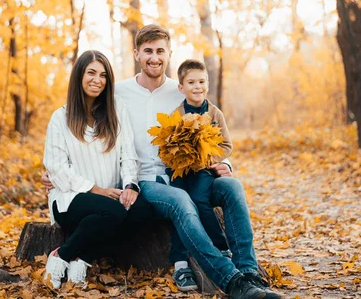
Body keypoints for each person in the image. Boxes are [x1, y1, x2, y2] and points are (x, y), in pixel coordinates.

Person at [112, 24, 280, 299]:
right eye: (148, 51)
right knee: (182, 201)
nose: (155, 57)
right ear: (136, 54)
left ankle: (249, 271)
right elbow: (89, 125)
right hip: (148, 180)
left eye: (160, 51)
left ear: (169, 54)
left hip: (193, 174)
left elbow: (211, 130)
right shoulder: (120, 92)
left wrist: (226, 164)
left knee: (232, 188)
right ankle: (231, 281)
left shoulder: (182, 88)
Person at [42, 50, 154, 289]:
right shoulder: (60, 118)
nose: (97, 80)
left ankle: (81, 258)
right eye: (91, 73)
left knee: (144, 210)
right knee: (113, 213)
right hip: (69, 199)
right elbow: (57, 168)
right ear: (79, 76)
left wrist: (130, 186)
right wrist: (96, 190)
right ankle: (61, 256)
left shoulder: (116, 110)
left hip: (110, 197)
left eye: (103, 75)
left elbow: (128, 154)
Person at [164, 59, 234, 281]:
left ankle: (221, 247)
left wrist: (208, 159)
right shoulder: (177, 115)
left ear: (208, 83)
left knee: (199, 200)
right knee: (179, 205)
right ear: (181, 87)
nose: (197, 87)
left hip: (204, 170)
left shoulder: (215, 114)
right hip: (180, 171)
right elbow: (168, 147)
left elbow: (227, 145)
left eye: (202, 81)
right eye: (191, 82)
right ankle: (180, 260)